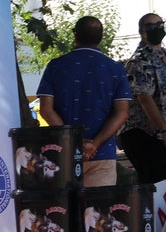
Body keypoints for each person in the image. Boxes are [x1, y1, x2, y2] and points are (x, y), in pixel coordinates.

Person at [37, 16, 132, 187]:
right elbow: (122, 113)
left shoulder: (55, 66)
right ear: (101, 38)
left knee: (65, 210)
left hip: (64, 153)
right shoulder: (115, 69)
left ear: (75, 36)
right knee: (98, 210)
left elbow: (46, 110)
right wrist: (94, 144)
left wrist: (74, 142)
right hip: (102, 155)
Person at [117, 14, 166, 183]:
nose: (157, 29)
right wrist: (164, 129)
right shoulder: (139, 60)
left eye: (160, 24)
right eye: (152, 26)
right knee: (157, 184)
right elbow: (144, 98)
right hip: (146, 134)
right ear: (142, 31)